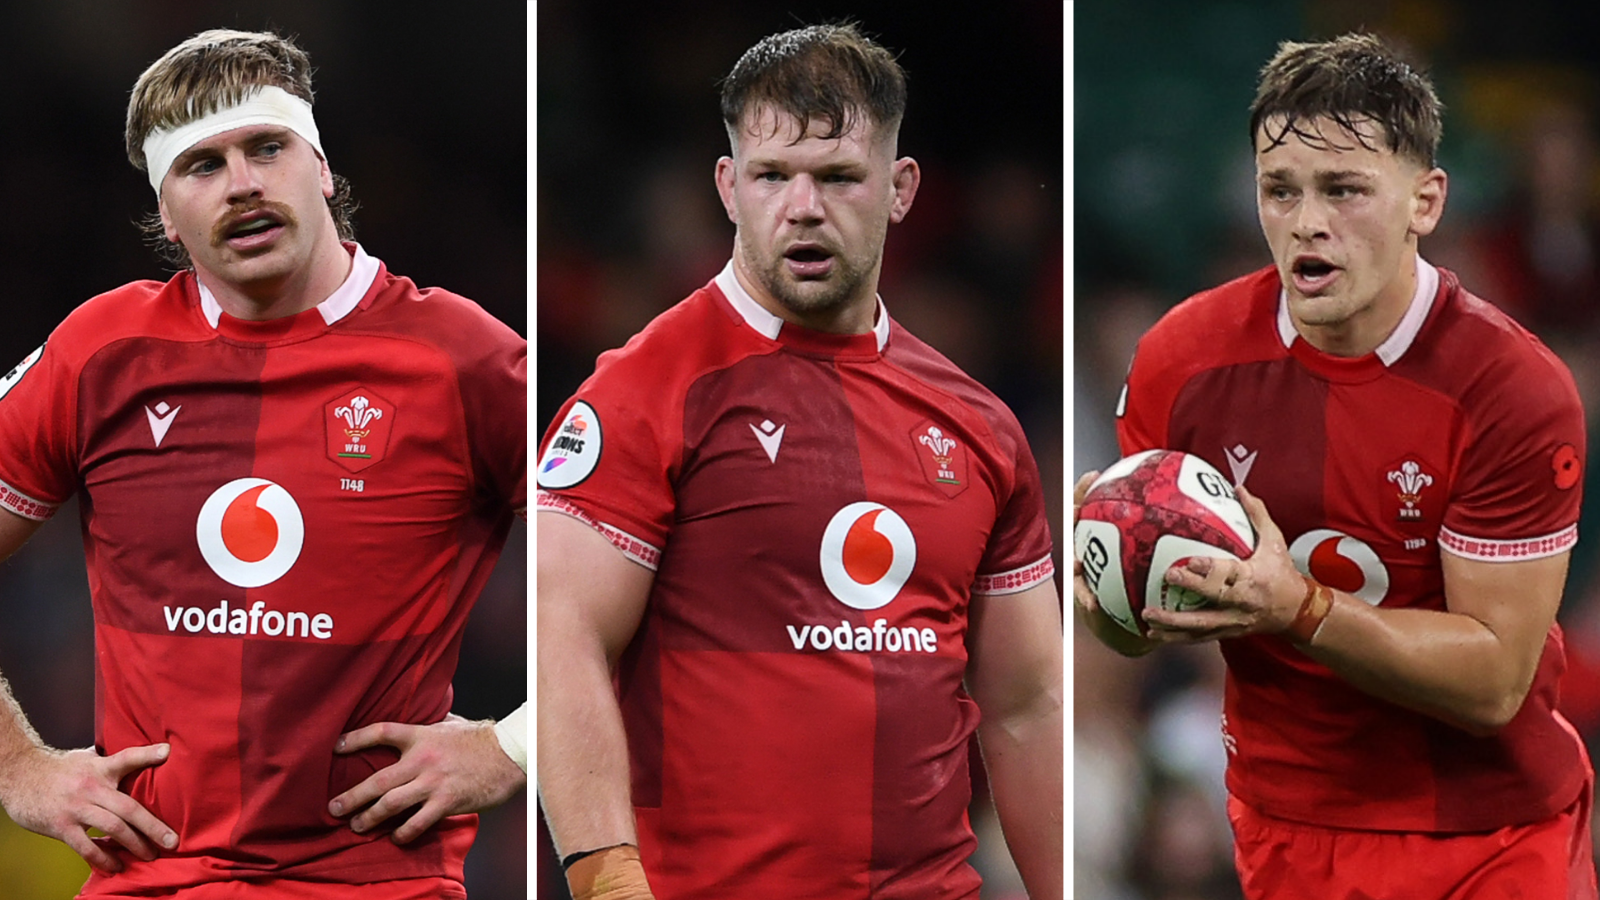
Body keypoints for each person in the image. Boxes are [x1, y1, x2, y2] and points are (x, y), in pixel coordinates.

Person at [536, 22, 1063, 900]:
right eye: (773, 176)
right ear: (727, 187)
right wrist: (608, 883)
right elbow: (564, 638)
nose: (804, 206)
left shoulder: (980, 426)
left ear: (900, 190)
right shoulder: (641, 393)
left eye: (838, 177)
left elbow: (1026, 706)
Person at [0, 29, 528, 899]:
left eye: (267, 148)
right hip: (150, 883)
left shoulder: (462, 359)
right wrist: (21, 770)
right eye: (201, 166)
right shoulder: (102, 351)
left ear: (321, 167)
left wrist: (512, 748)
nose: (242, 183)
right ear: (165, 214)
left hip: (378, 884)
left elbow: (626, 582)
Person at [1077, 33, 1599, 899]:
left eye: (1343, 189)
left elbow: (1496, 681)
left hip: (1491, 835)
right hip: (1289, 832)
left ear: (1425, 202)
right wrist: (1110, 580)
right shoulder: (1184, 359)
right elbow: (1121, 638)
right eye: (1279, 190)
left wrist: (1301, 609)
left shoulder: (1512, 389)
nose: (1306, 221)